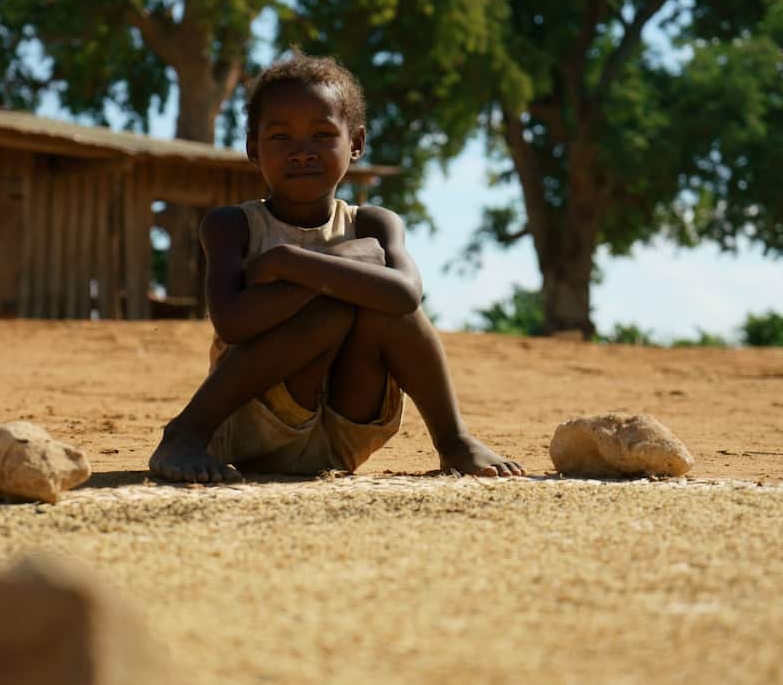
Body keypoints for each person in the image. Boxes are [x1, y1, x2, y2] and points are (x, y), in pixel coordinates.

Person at [149, 53, 524, 483]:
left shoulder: (374, 224)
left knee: (384, 307)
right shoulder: (233, 226)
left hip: (343, 434)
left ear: (356, 143)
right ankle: (186, 433)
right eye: (280, 136)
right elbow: (232, 324)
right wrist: (349, 265)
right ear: (253, 147)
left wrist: (291, 262)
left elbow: (406, 296)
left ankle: (453, 440)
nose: (301, 151)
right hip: (254, 428)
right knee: (334, 307)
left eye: (322, 134)